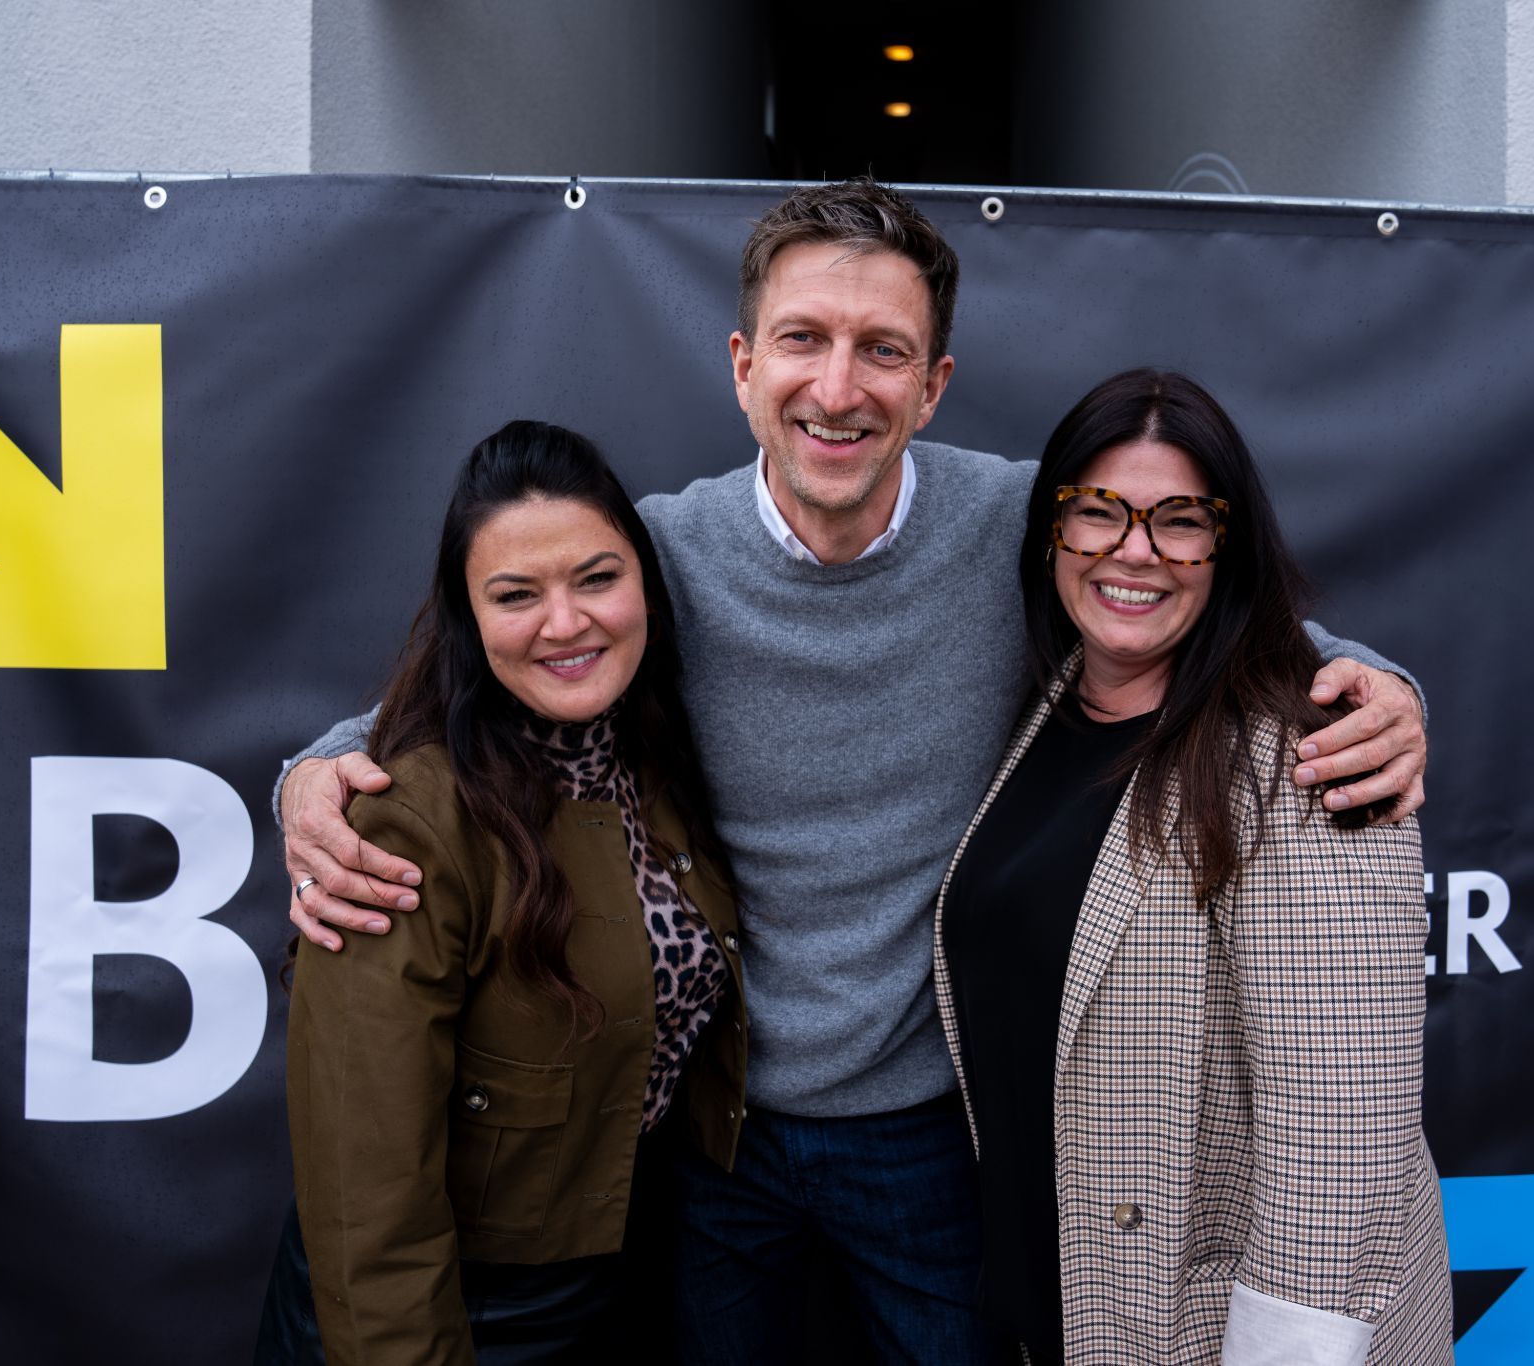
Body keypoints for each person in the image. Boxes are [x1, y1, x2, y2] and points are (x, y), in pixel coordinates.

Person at [274, 180, 1431, 1362]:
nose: (837, 388)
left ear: (930, 385)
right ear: (740, 364)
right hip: (712, 1133)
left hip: (935, 1130)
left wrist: (1382, 685)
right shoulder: (654, 559)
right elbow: (480, 675)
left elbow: (1179, 588)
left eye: (882, 349)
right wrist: (314, 773)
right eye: (802, 341)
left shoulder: (1022, 523)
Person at [935, 369, 1450, 1365]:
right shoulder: (1051, 704)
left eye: (1179, 519)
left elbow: (1344, 1126)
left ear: (1227, 545)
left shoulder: (1309, 751)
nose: (1134, 552)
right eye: (1099, 513)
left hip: (1215, 1328)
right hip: (1059, 1305)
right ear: (1053, 530)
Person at [254, 421, 747, 1364]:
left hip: (621, 1286)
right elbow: (369, 1200)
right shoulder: (404, 825)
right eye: (516, 595)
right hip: (449, 1313)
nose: (566, 623)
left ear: (645, 582)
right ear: (470, 621)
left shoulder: (656, 764)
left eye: (597, 578)